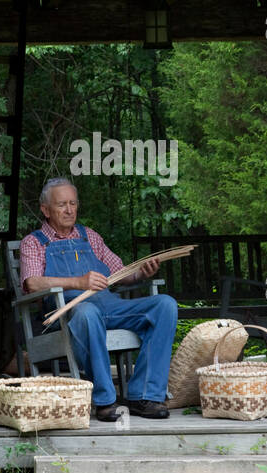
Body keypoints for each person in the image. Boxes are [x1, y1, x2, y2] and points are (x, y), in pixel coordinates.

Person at [20, 178, 178, 421]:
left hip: (110, 306)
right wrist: (78, 282)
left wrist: (140, 273)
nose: (69, 210)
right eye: (62, 204)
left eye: (73, 203)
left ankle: (144, 395)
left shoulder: (89, 236)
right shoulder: (34, 242)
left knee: (164, 305)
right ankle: (104, 400)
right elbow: (32, 283)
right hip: (70, 314)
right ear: (45, 209)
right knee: (87, 312)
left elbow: (120, 273)